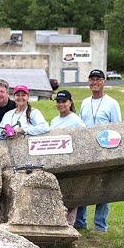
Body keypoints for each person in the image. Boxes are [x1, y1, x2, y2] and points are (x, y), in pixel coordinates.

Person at [76, 69, 122, 233]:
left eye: (98, 79)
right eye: (92, 79)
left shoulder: (112, 103)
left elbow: (118, 128)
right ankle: (80, 223)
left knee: (103, 188)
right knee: (83, 186)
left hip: (105, 149)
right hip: (87, 150)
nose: (94, 82)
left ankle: (100, 226)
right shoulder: (84, 102)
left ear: (104, 82)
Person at [49, 90, 86, 226]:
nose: (61, 104)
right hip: (56, 161)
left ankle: (70, 223)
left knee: (71, 193)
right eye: (58, 102)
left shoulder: (76, 121)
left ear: (70, 102)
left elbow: (83, 139)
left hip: (71, 161)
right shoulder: (54, 121)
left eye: (64, 101)